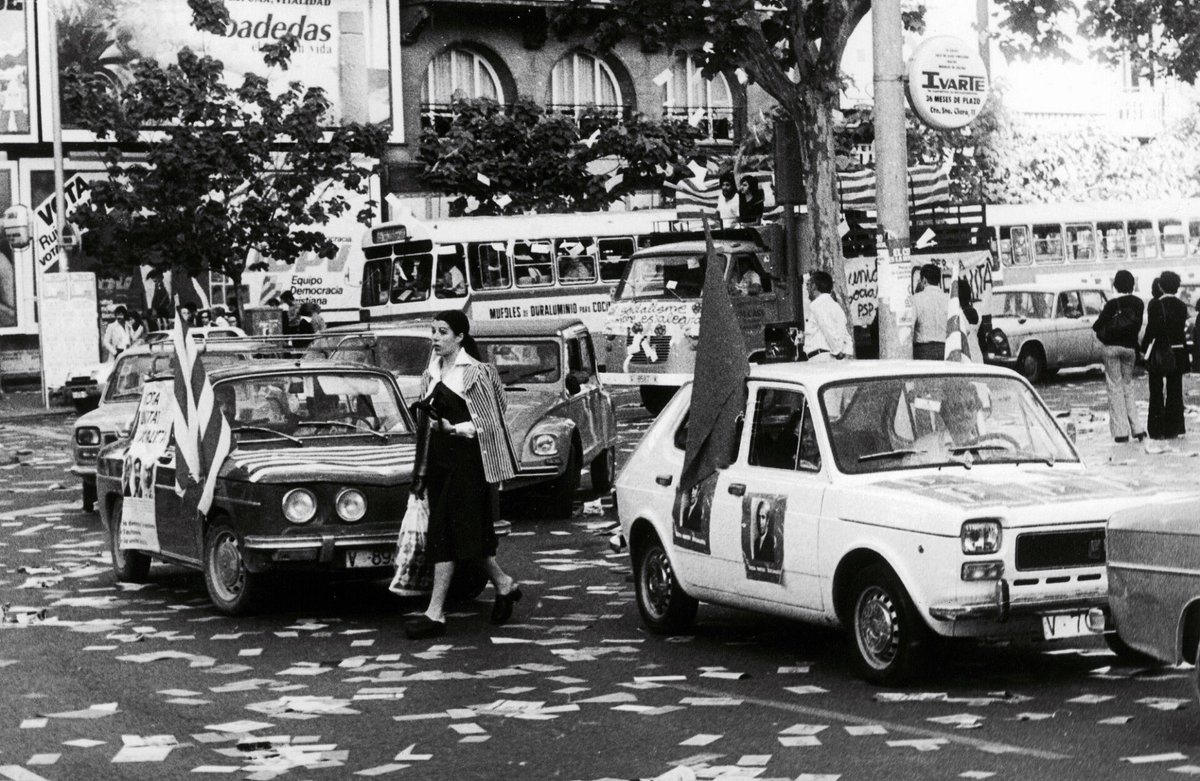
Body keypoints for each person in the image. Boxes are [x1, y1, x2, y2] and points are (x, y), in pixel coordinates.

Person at [405, 310, 522, 640]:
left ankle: (435, 612)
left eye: (443, 332)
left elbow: (491, 422)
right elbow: (425, 427)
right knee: (466, 535)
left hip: (469, 464)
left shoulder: (475, 373)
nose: (435, 338)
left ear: (459, 337)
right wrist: (421, 469)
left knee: (444, 533)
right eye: (433, 331)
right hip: (440, 463)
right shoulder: (430, 372)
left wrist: (454, 428)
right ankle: (504, 584)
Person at [1092, 269, 1146, 443]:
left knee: (1115, 388)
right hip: (1130, 349)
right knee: (1127, 386)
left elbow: (1097, 326)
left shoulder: (1111, 304)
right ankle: (1137, 428)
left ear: (1115, 285)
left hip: (1111, 349)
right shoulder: (1139, 303)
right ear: (1132, 284)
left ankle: (1121, 432)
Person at [1140, 270, 1190, 440]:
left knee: (1156, 390)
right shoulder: (1182, 306)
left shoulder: (1156, 305)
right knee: (1175, 391)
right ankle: (1174, 428)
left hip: (1160, 351)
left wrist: (1143, 348)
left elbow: (1152, 330)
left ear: (1160, 286)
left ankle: (1157, 429)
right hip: (1178, 351)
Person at [802, 270, 852, 360]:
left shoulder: (817, 304)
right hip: (833, 357)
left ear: (814, 286)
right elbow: (845, 335)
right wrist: (845, 352)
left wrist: (837, 351)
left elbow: (828, 328)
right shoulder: (836, 306)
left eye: (808, 284)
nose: (807, 288)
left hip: (821, 357)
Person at [910, 264, 949, 360]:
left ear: (924, 280)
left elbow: (910, 327)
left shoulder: (916, 299)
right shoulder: (949, 299)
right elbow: (966, 329)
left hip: (922, 351)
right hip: (945, 350)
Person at [954, 279, 980, 361]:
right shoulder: (978, 312)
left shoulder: (958, 315)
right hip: (977, 355)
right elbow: (983, 343)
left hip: (964, 357)